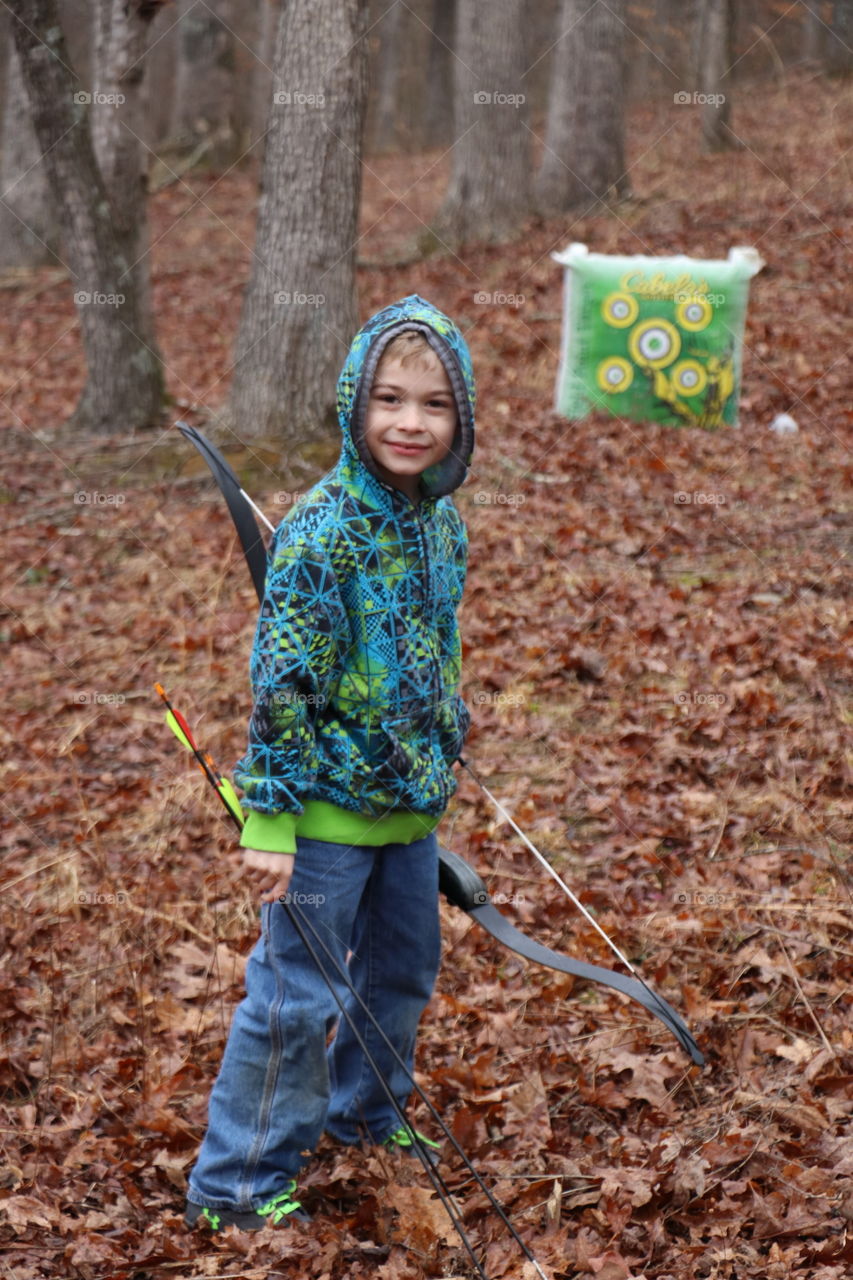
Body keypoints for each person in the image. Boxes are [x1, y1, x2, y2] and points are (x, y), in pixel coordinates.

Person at [185, 295, 476, 1231]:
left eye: (433, 405)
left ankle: (365, 1111)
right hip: (319, 817)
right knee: (294, 998)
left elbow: (437, 653)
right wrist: (268, 819)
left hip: (405, 809)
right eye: (389, 399)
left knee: (400, 974)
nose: (409, 422)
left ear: (458, 418)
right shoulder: (321, 529)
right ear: (355, 405)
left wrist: (442, 746)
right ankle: (234, 1187)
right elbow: (284, 685)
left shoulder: (439, 524)